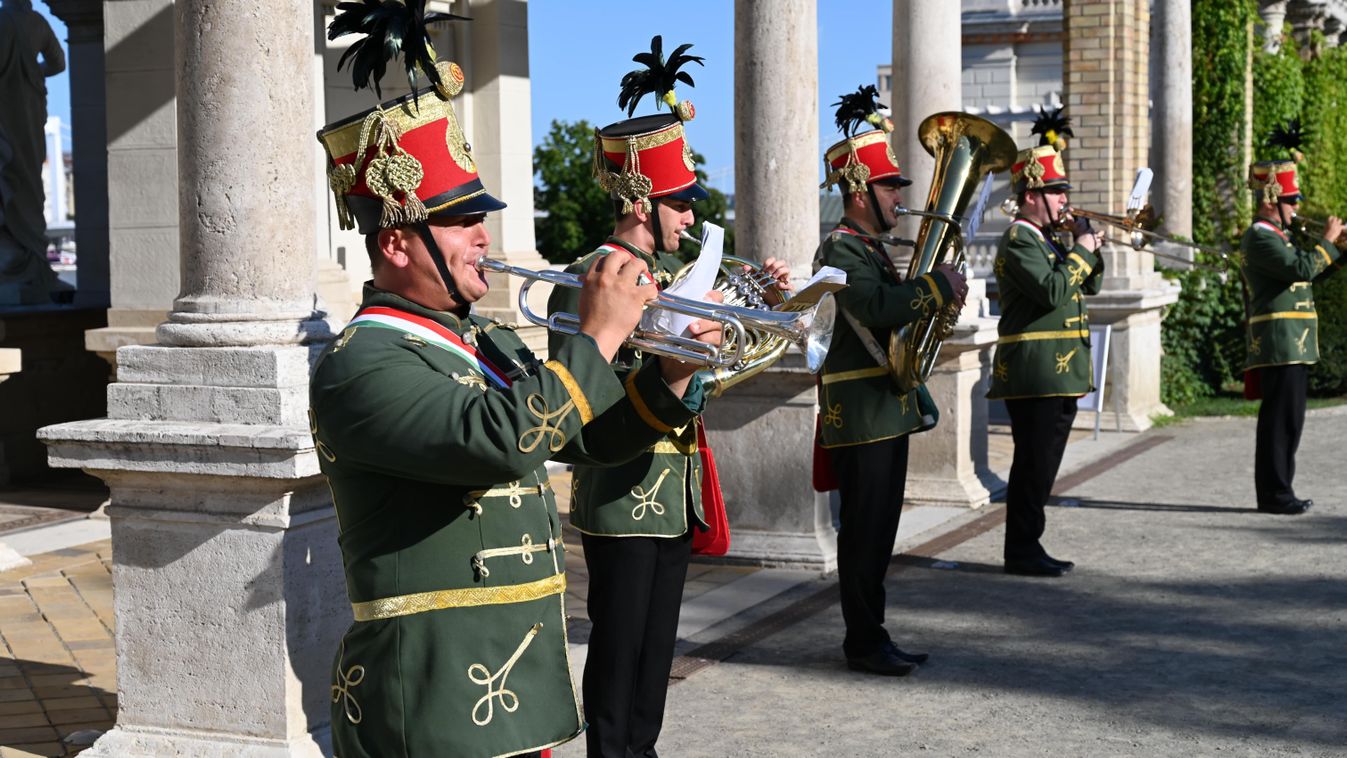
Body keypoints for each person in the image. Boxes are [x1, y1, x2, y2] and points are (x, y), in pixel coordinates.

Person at [310, 10, 719, 756]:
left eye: (480, 218)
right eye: (461, 220)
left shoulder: (484, 340)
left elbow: (585, 440)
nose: (484, 237)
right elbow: (500, 443)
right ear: (397, 240)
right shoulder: (360, 363)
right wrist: (599, 332)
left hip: (511, 682)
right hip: (430, 696)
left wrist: (670, 376)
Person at [546, 37, 789, 757]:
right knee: (619, 652)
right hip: (622, 492)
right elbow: (579, 387)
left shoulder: (674, 275)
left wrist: (766, 303)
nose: (690, 217)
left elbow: (706, 378)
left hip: (672, 489)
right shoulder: (593, 274)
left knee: (657, 651)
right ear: (645, 201)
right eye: (681, 204)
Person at [813, 86, 966, 677]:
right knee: (864, 537)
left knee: (878, 536)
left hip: (882, 410)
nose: (899, 199)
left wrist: (935, 297)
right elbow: (875, 307)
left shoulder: (869, 247)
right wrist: (933, 289)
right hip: (862, 416)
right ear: (859, 192)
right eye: (888, 188)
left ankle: (873, 634)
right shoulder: (840, 250)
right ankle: (863, 643)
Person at [986, 107, 1103, 578]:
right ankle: (1021, 550)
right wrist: (1081, 251)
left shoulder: (1049, 241)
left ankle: (1030, 544)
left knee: (1044, 464)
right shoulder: (1019, 240)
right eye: (1056, 193)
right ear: (1031, 195)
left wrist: (1089, 246)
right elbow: (1054, 290)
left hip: (1057, 371)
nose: (1063, 201)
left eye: (1063, 193)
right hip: (1034, 372)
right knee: (1031, 465)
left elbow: (1087, 286)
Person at [1241, 125, 1344, 515]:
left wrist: (1339, 252)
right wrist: (1329, 242)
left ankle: (1281, 488)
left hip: (1293, 341)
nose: (1297, 207)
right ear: (1271, 200)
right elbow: (1301, 268)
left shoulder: (1277, 235)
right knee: (1279, 423)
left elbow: (1309, 271)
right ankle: (1274, 493)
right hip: (1279, 342)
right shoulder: (1260, 236)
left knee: (1290, 421)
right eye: (1292, 200)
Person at [0, 0, 65, 304]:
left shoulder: (1, 21)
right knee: (30, 181)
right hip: (31, 113)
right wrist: (33, 73)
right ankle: (33, 253)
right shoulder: (39, 23)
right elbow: (58, 63)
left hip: (4, 116)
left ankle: (13, 253)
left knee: (8, 178)